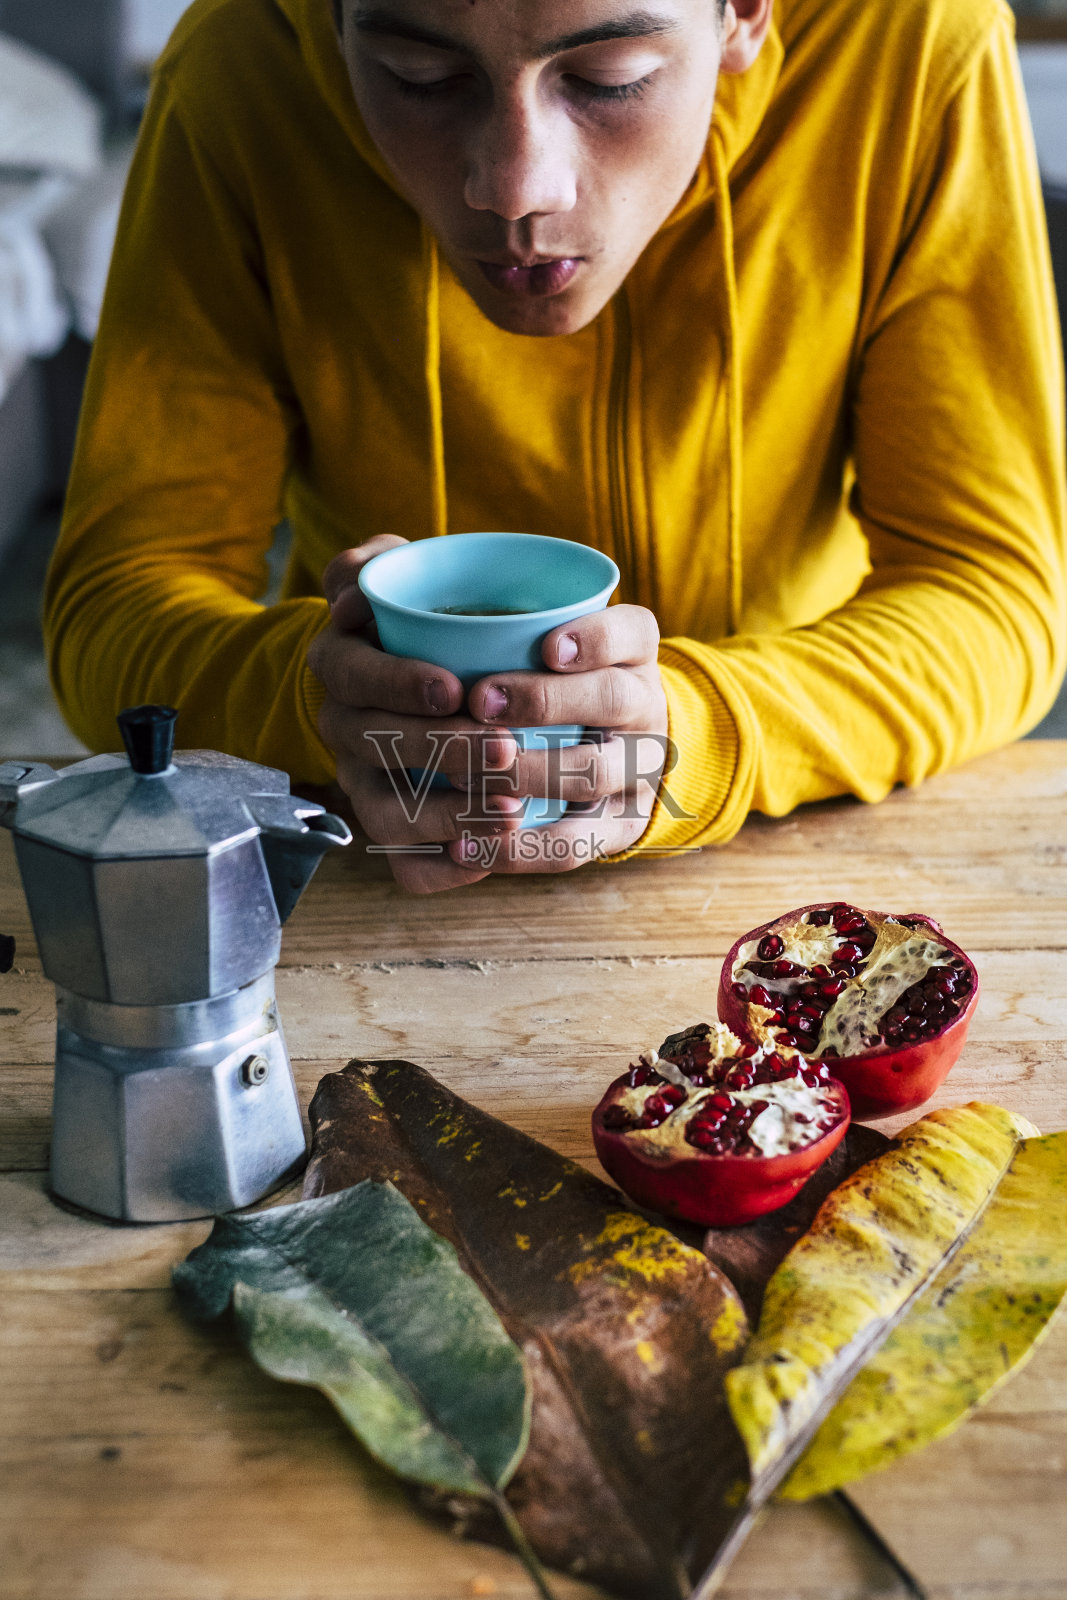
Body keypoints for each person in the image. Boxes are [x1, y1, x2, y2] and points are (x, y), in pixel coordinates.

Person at [44, 0, 1066, 894]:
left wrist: (701, 731)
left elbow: (995, 594)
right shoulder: (240, 65)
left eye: (609, 79)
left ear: (745, 12)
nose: (514, 187)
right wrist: (309, 697)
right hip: (368, 849)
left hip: (810, 831)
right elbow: (112, 608)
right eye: (419, 77)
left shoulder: (911, 44)